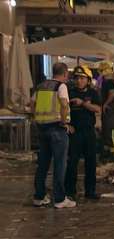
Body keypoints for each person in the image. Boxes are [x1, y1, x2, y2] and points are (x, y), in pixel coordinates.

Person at [32, 62, 76, 208]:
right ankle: (59, 199)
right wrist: (64, 123)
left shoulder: (40, 86)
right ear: (65, 74)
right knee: (59, 164)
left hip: (42, 128)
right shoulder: (61, 86)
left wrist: (37, 119)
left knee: (43, 164)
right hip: (57, 128)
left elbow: (32, 104)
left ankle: (39, 197)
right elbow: (64, 105)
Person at [65, 66, 101, 200]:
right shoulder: (69, 92)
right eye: (77, 78)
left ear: (88, 80)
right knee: (72, 163)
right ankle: (70, 191)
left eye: (82, 78)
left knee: (91, 162)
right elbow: (62, 109)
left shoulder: (93, 93)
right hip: (74, 132)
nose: (79, 81)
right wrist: (67, 125)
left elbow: (98, 109)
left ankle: (90, 191)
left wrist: (83, 104)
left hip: (89, 132)